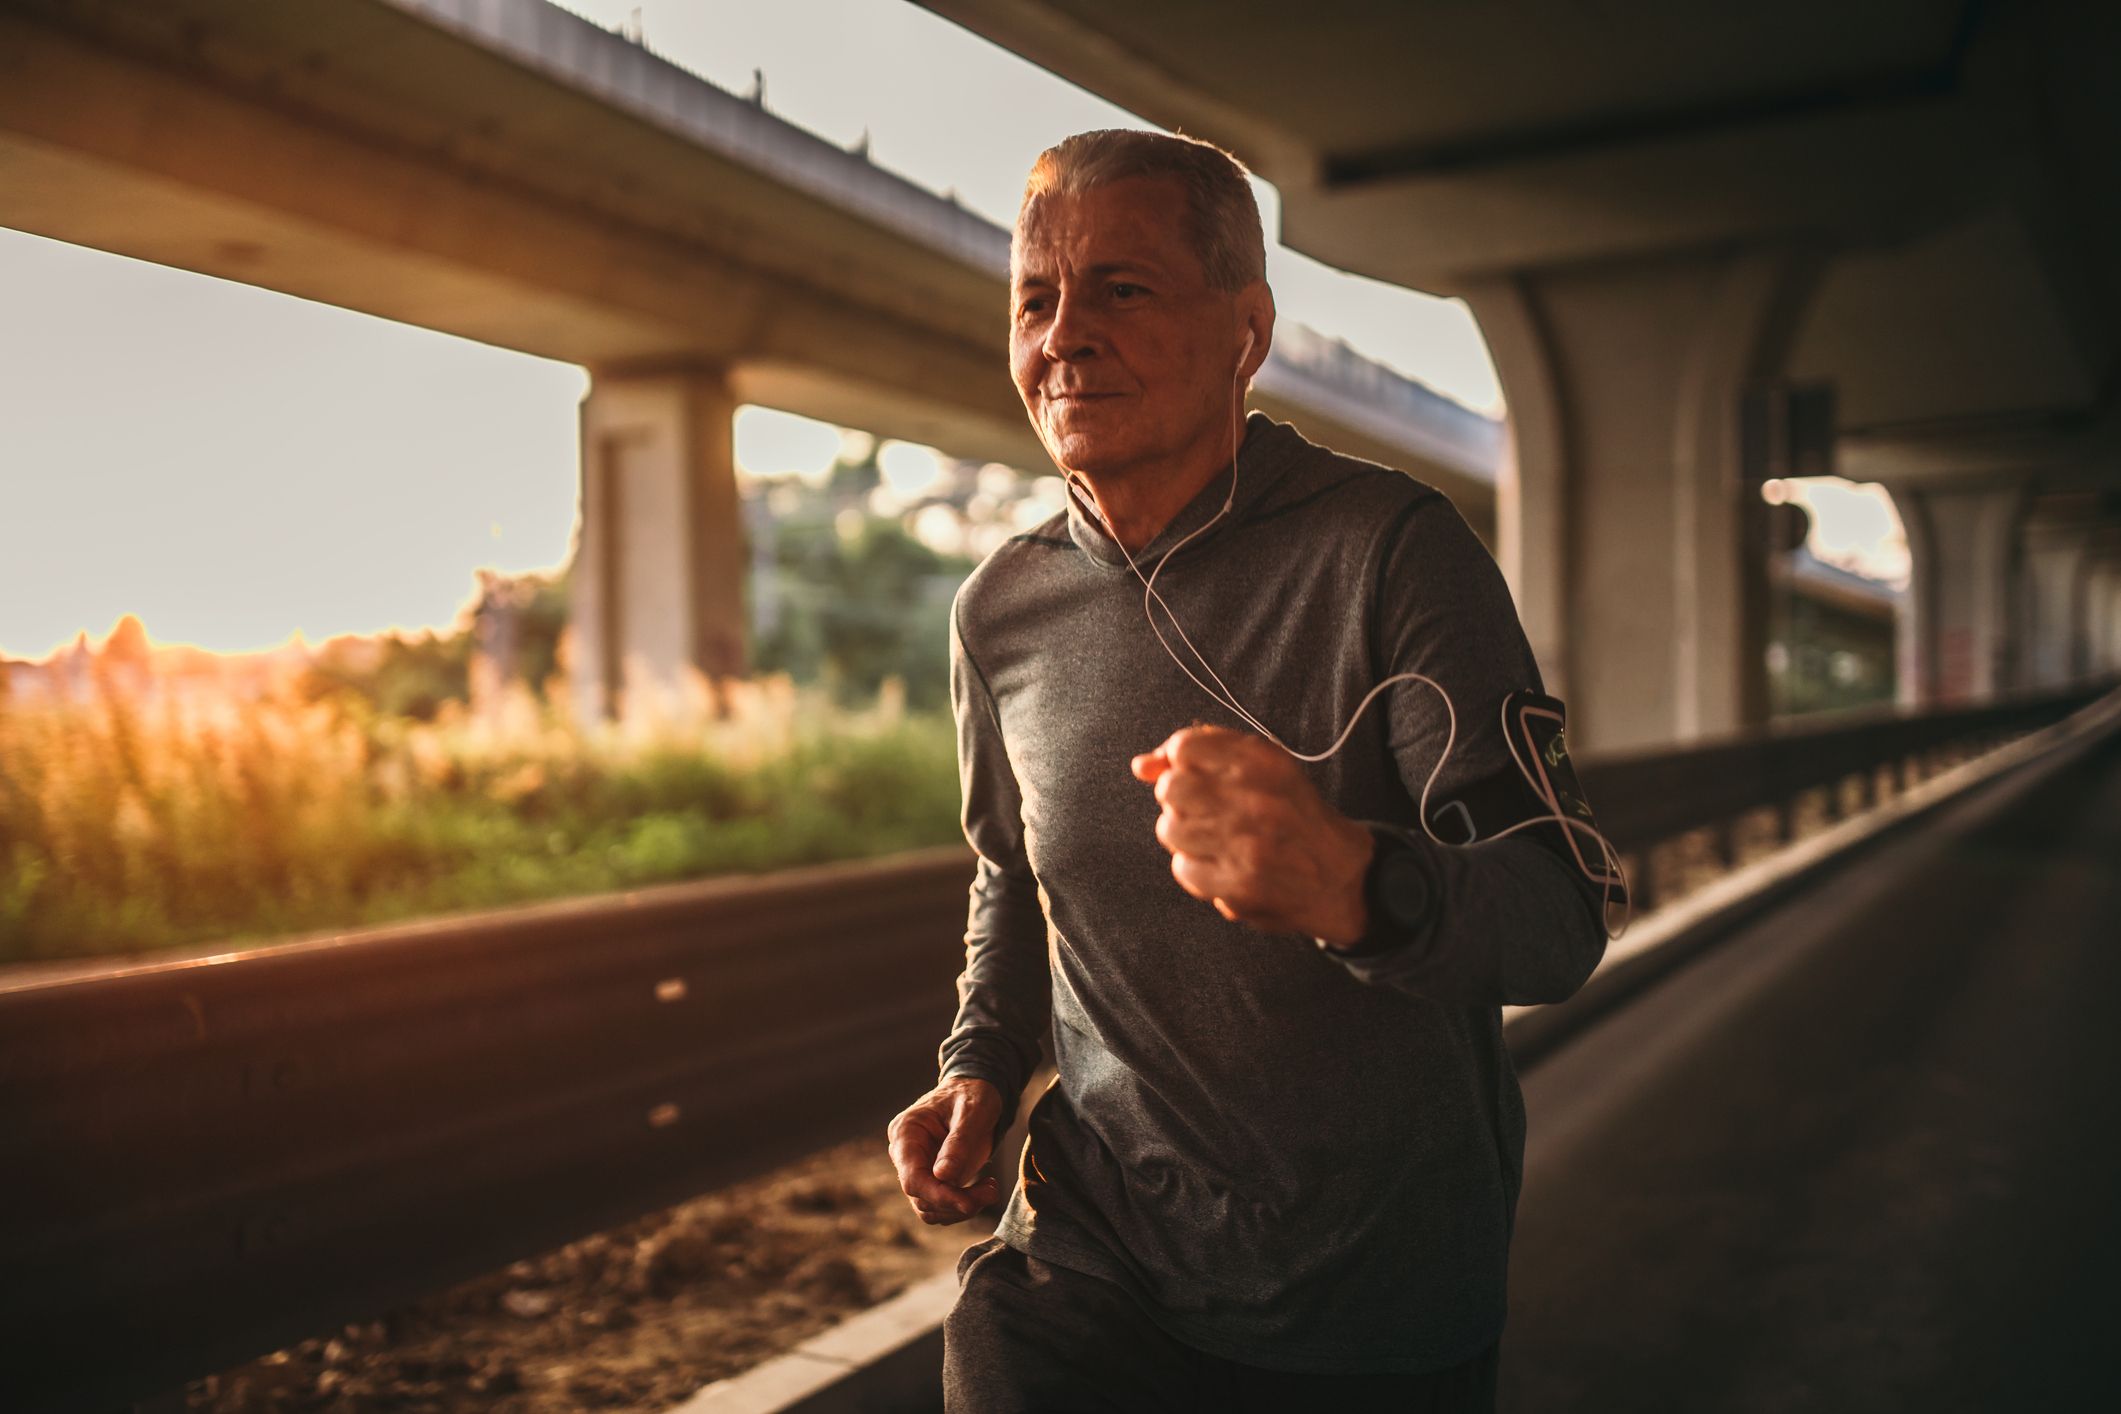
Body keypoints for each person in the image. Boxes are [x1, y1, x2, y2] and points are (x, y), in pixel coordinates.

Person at [886, 128, 1611, 1413]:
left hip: (1367, 1295)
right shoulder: (1001, 608)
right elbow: (1012, 872)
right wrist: (978, 1066)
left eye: (1123, 288)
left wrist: (1351, 880)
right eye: (1035, 299)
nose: (1065, 336)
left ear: (1247, 327)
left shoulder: (1390, 553)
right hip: (1091, 1245)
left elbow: (1557, 916)